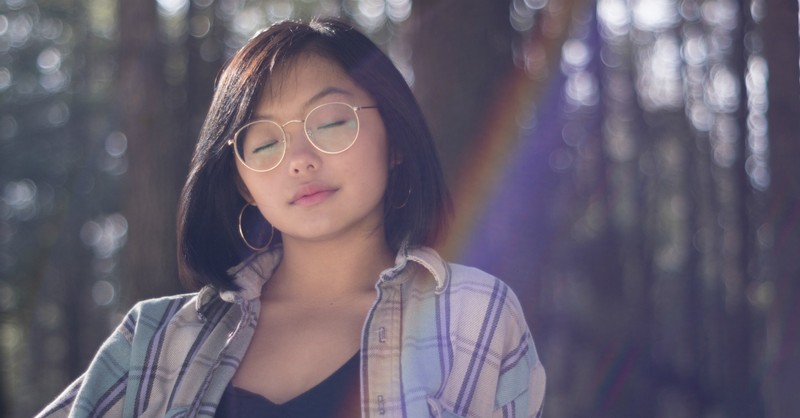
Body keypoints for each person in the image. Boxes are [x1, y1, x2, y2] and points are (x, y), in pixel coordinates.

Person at [37, 18, 545, 418]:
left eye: (330, 122)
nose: (299, 158)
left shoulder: (474, 318)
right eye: (265, 141)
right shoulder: (153, 342)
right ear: (242, 183)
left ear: (394, 137)